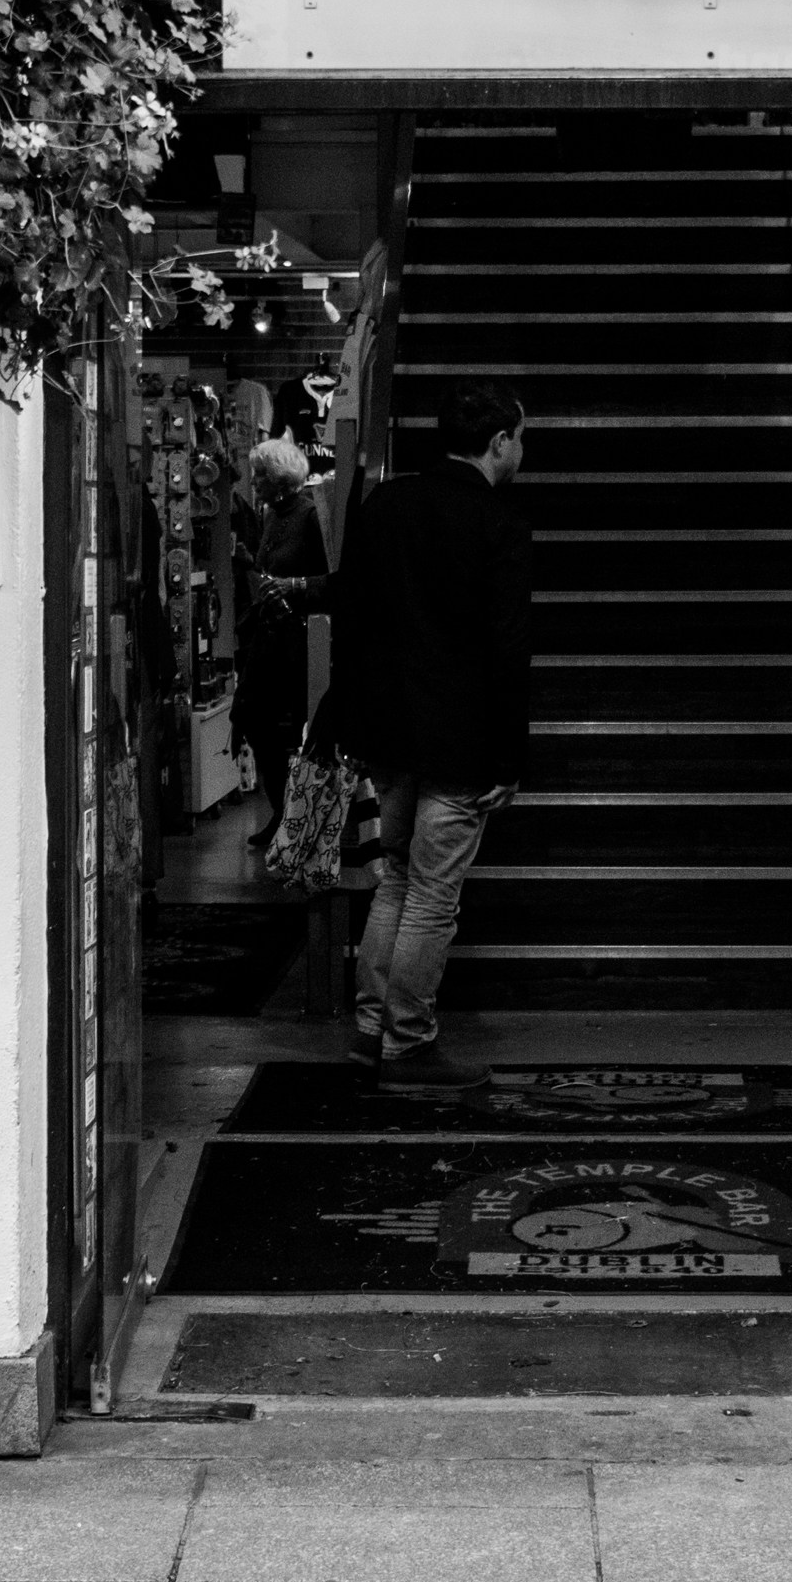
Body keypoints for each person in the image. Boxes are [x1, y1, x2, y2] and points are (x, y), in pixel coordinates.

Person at [327, 380, 531, 1091]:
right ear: (499, 441)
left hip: (388, 730)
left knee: (396, 880)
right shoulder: (497, 522)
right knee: (433, 896)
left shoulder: (386, 505)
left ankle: (368, 1029)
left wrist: (348, 716)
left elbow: (350, 617)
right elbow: (507, 646)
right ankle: (409, 1043)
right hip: (459, 737)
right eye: (520, 438)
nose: (521, 452)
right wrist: (510, 752)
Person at [233, 438, 330, 847]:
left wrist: (291, 587)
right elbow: (267, 568)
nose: (252, 481)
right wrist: (250, 566)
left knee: (300, 732)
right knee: (252, 719)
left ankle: (298, 819)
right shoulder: (271, 515)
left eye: (259, 475)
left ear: (278, 478)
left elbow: (331, 581)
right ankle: (282, 811)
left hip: (300, 639)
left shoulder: (311, 515)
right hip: (269, 637)